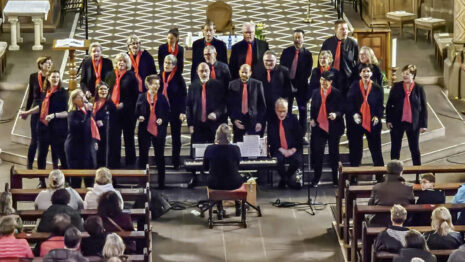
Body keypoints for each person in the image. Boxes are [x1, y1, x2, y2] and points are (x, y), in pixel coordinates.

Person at [19, 70, 69, 180]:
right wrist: (27, 113)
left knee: (60, 156)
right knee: (41, 156)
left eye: (57, 77)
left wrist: (54, 115)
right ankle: (42, 180)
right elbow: (40, 107)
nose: (55, 79)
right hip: (43, 128)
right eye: (53, 77)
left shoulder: (63, 93)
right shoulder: (45, 92)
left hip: (57, 129)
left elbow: (66, 112)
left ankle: (64, 180)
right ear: (49, 79)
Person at [346, 64, 384, 182]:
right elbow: (349, 103)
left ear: (371, 74)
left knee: (376, 150)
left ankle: (380, 176)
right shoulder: (354, 86)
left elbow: (380, 105)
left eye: (368, 71)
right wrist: (354, 114)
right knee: (356, 150)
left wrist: (377, 116)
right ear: (360, 74)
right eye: (364, 71)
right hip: (357, 123)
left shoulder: (377, 88)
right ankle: (353, 176)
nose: (366, 73)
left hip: (372, 123)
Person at [386, 64, 427, 166]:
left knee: (414, 149)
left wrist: (424, 124)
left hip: (413, 123)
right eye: (403, 73)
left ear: (413, 75)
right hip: (397, 121)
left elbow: (424, 108)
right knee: (395, 148)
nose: (404, 76)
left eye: (407, 74)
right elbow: (389, 105)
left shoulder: (419, 89)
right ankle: (394, 173)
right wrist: (389, 120)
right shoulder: (396, 87)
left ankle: (418, 172)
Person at [310, 70, 344, 186]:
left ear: (331, 82)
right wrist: (312, 119)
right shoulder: (315, 93)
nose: (323, 83)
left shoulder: (336, 93)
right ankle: (316, 178)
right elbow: (313, 108)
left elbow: (342, 109)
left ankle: (335, 179)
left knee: (334, 153)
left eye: (326, 81)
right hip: (319, 127)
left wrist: (336, 114)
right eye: (322, 80)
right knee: (318, 153)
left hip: (333, 127)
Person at [105, 53, 139, 168]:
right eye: (119, 61)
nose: (121, 63)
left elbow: (135, 96)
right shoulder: (110, 75)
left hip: (127, 112)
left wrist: (124, 104)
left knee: (129, 138)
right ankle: (115, 163)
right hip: (113, 112)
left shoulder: (131, 76)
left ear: (127, 64)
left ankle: (130, 163)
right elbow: (106, 92)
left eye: (124, 61)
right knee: (114, 139)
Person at [135, 75, 170, 188]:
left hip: (158, 130)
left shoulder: (162, 98)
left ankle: (162, 183)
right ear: (148, 85)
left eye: (158, 84)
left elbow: (167, 113)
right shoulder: (141, 97)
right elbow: (136, 111)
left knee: (160, 156)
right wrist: (139, 116)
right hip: (144, 129)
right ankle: (142, 183)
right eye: (155, 84)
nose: (157, 86)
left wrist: (162, 119)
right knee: (143, 156)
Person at [279, 29, 313, 139]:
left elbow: (307, 73)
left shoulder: (307, 55)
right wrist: (290, 85)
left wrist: (296, 86)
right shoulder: (286, 52)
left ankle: (301, 136)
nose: (297, 40)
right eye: (295, 37)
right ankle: (287, 133)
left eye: (299, 37)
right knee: (286, 111)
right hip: (287, 86)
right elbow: (282, 69)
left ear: (303, 39)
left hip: (301, 87)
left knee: (302, 112)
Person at [21, 56, 53, 170]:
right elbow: (30, 95)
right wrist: (26, 111)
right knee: (34, 139)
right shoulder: (33, 76)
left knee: (44, 140)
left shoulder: (52, 76)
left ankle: (41, 168)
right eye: (47, 63)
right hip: (35, 107)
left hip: (47, 107)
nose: (49, 65)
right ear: (40, 65)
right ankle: (29, 165)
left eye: (50, 63)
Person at [65, 89, 99, 188]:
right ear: (74, 100)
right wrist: (88, 112)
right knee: (76, 178)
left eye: (83, 95)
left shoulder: (86, 111)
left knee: (90, 175)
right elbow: (81, 127)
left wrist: (94, 140)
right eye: (80, 96)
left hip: (87, 146)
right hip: (75, 148)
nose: (83, 98)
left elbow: (92, 126)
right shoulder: (72, 114)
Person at [186, 62, 226, 144]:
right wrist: (190, 124)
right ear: (197, 72)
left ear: (209, 71)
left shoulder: (218, 85)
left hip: (213, 124)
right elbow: (188, 106)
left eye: (206, 71)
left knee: (214, 151)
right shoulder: (192, 86)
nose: (204, 73)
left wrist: (216, 113)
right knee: (197, 153)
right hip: (198, 125)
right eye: (201, 71)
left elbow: (223, 104)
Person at [159, 54, 187, 169]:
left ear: (174, 65)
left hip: (175, 111)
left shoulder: (178, 78)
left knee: (176, 137)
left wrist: (182, 111)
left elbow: (183, 96)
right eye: (165, 62)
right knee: (160, 137)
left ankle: (176, 161)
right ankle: (160, 161)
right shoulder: (158, 76)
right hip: (162, 111)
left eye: (169, 63)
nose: (166, 65)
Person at [268, 98, 303, 188]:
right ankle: (289, 182)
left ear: (287, 110)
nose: (282, 114)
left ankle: (284, 179)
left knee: (297, 160)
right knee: (278, 160)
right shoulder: (272, 121)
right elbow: (272, 139)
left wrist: (292, 150)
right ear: (276, 110)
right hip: (278, 149)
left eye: (284, 111)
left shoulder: (293, 119)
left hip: (293, 148)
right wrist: (282, 150)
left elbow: (299, 137)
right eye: (280, 111)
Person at [227, 64, 266, 142]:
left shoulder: (257, 84)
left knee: (254, 147)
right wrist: (234, 120)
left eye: (246, 72)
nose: (244, 74)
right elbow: (229, 105)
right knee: (239, 146)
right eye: (242, 72)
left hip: (254, 121)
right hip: (239, 122)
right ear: (239, 72)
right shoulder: (232, 85)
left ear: (250, 73)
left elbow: (262, 105)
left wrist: (260, 122)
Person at [368, 160, 415, 226]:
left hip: (379, 222)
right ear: (401, 172)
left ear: (387, 170)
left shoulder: (377, 187)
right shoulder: (408, 188)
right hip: (402, 222)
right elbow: (412, 205)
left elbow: (370, 205)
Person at [321, 19, 359, 96]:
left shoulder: (353, 44)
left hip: (347, 80)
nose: (345, 31)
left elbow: (358, 62)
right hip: (331, 78)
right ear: (335, 30)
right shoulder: (327, 43)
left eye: (346, 29)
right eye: (342, 29)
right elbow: (321, 61)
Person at [254, 50, 293, 123]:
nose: (268, 63)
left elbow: (288, 92)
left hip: (277, 109)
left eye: (271, 60)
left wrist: (286, 109)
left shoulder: (284, 71)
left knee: (275, 133)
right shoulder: (257, 71)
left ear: (276, 61)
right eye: (266, 60)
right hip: (262, 108)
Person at [203, 124, 244, 190]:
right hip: (233, 183)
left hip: (214, 183)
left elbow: (205, 168)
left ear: (217, 135)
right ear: (230, 135)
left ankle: (216, 199)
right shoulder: (235, 148)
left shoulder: (209, 148)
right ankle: (233, 199)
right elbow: (237, 166)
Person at [93, 82, 117, 167]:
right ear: (97, 91)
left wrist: (104, 122)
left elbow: (114, 119)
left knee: (103, 154)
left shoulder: (110, 104)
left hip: (105, 133)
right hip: (93, 132)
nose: (103, 91)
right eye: (101, 89)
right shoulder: (93, 102)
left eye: (105, 89)